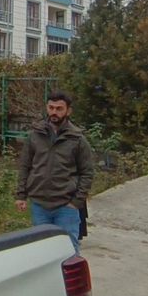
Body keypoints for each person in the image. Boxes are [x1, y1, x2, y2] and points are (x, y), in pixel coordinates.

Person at [14, 91, 94, 253]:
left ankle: (70, 279)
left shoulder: (77, 139)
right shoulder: (35, 135)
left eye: (59, 108)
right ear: (47, 108)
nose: (54, 112)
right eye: (51, 108)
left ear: (68, 111)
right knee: (42, 250)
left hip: (66, 206)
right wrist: (21, 195)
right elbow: (25, 166)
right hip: (39, 204)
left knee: (69, 250)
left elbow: (87, 173)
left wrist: (76, 202)